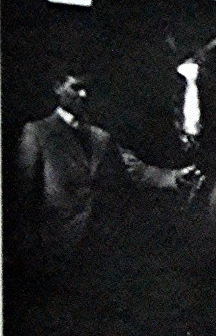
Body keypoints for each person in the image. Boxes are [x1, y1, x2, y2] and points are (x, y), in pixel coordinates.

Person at [12, 74, 198, 272]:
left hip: (99, 246)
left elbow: (132, 169)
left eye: (87, 89)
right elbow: (23, 194)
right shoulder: (38, 132)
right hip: (55, 246)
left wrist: (173, 177)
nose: (83, 95)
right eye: (76, 88)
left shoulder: (100, 137)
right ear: (58, 87)